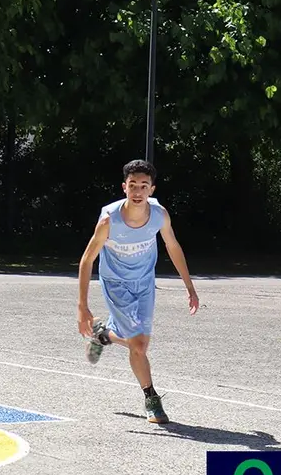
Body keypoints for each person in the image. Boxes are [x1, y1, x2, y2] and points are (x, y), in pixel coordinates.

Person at [76, 160, 199, 424]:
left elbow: (173, 246)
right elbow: (87, 260)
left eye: (144, 186)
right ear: (124, 187)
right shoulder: (109, 220)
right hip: (117, 284)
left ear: (152, 189)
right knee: (139, 344)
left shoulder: (159, 215)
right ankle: (151, 398)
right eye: (133, 185)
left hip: (144, 283)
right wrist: (82, 305)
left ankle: (103, 335)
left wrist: (190, 287)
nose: (138, 191)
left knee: (139, 343)